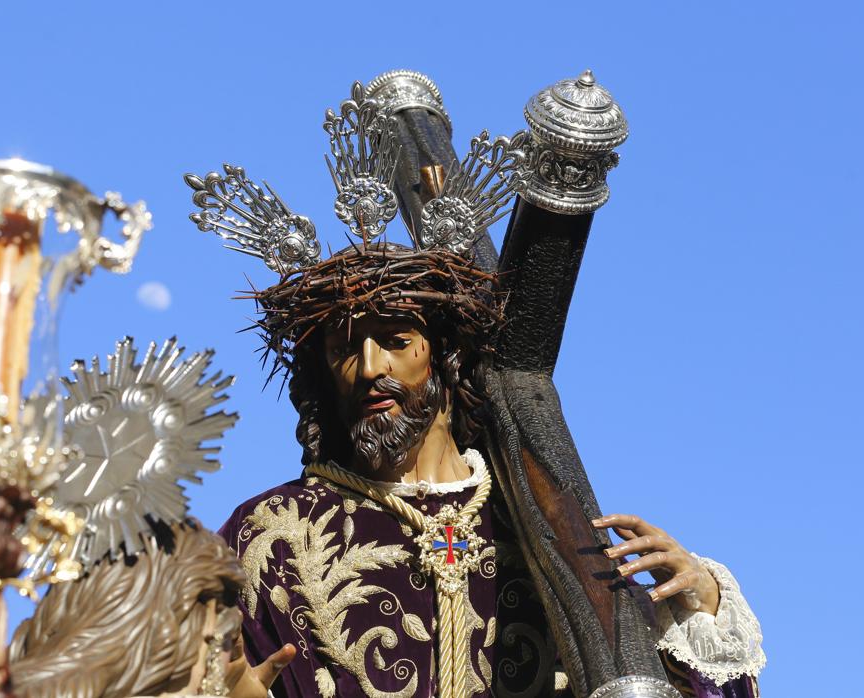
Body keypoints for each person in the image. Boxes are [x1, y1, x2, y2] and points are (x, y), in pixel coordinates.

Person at [191, 73, 765, 698]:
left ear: (445, 359)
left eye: (398, 342)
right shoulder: (270, 533)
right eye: (345, 351)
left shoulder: (546, 525)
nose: (372, 367)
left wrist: (700, 606)